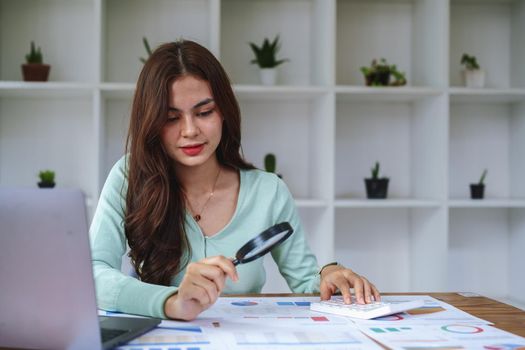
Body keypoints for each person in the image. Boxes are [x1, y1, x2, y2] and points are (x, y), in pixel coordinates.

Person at [89, 40, 380, 321]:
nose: (190, 130)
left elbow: (306, 282)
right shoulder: (129, 177)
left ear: (224, 112)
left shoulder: (268, 191)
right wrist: (172, 303)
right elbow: (92, 273)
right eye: (171, 118)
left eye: (204, 112)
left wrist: (329, 275)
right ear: (151, 122)